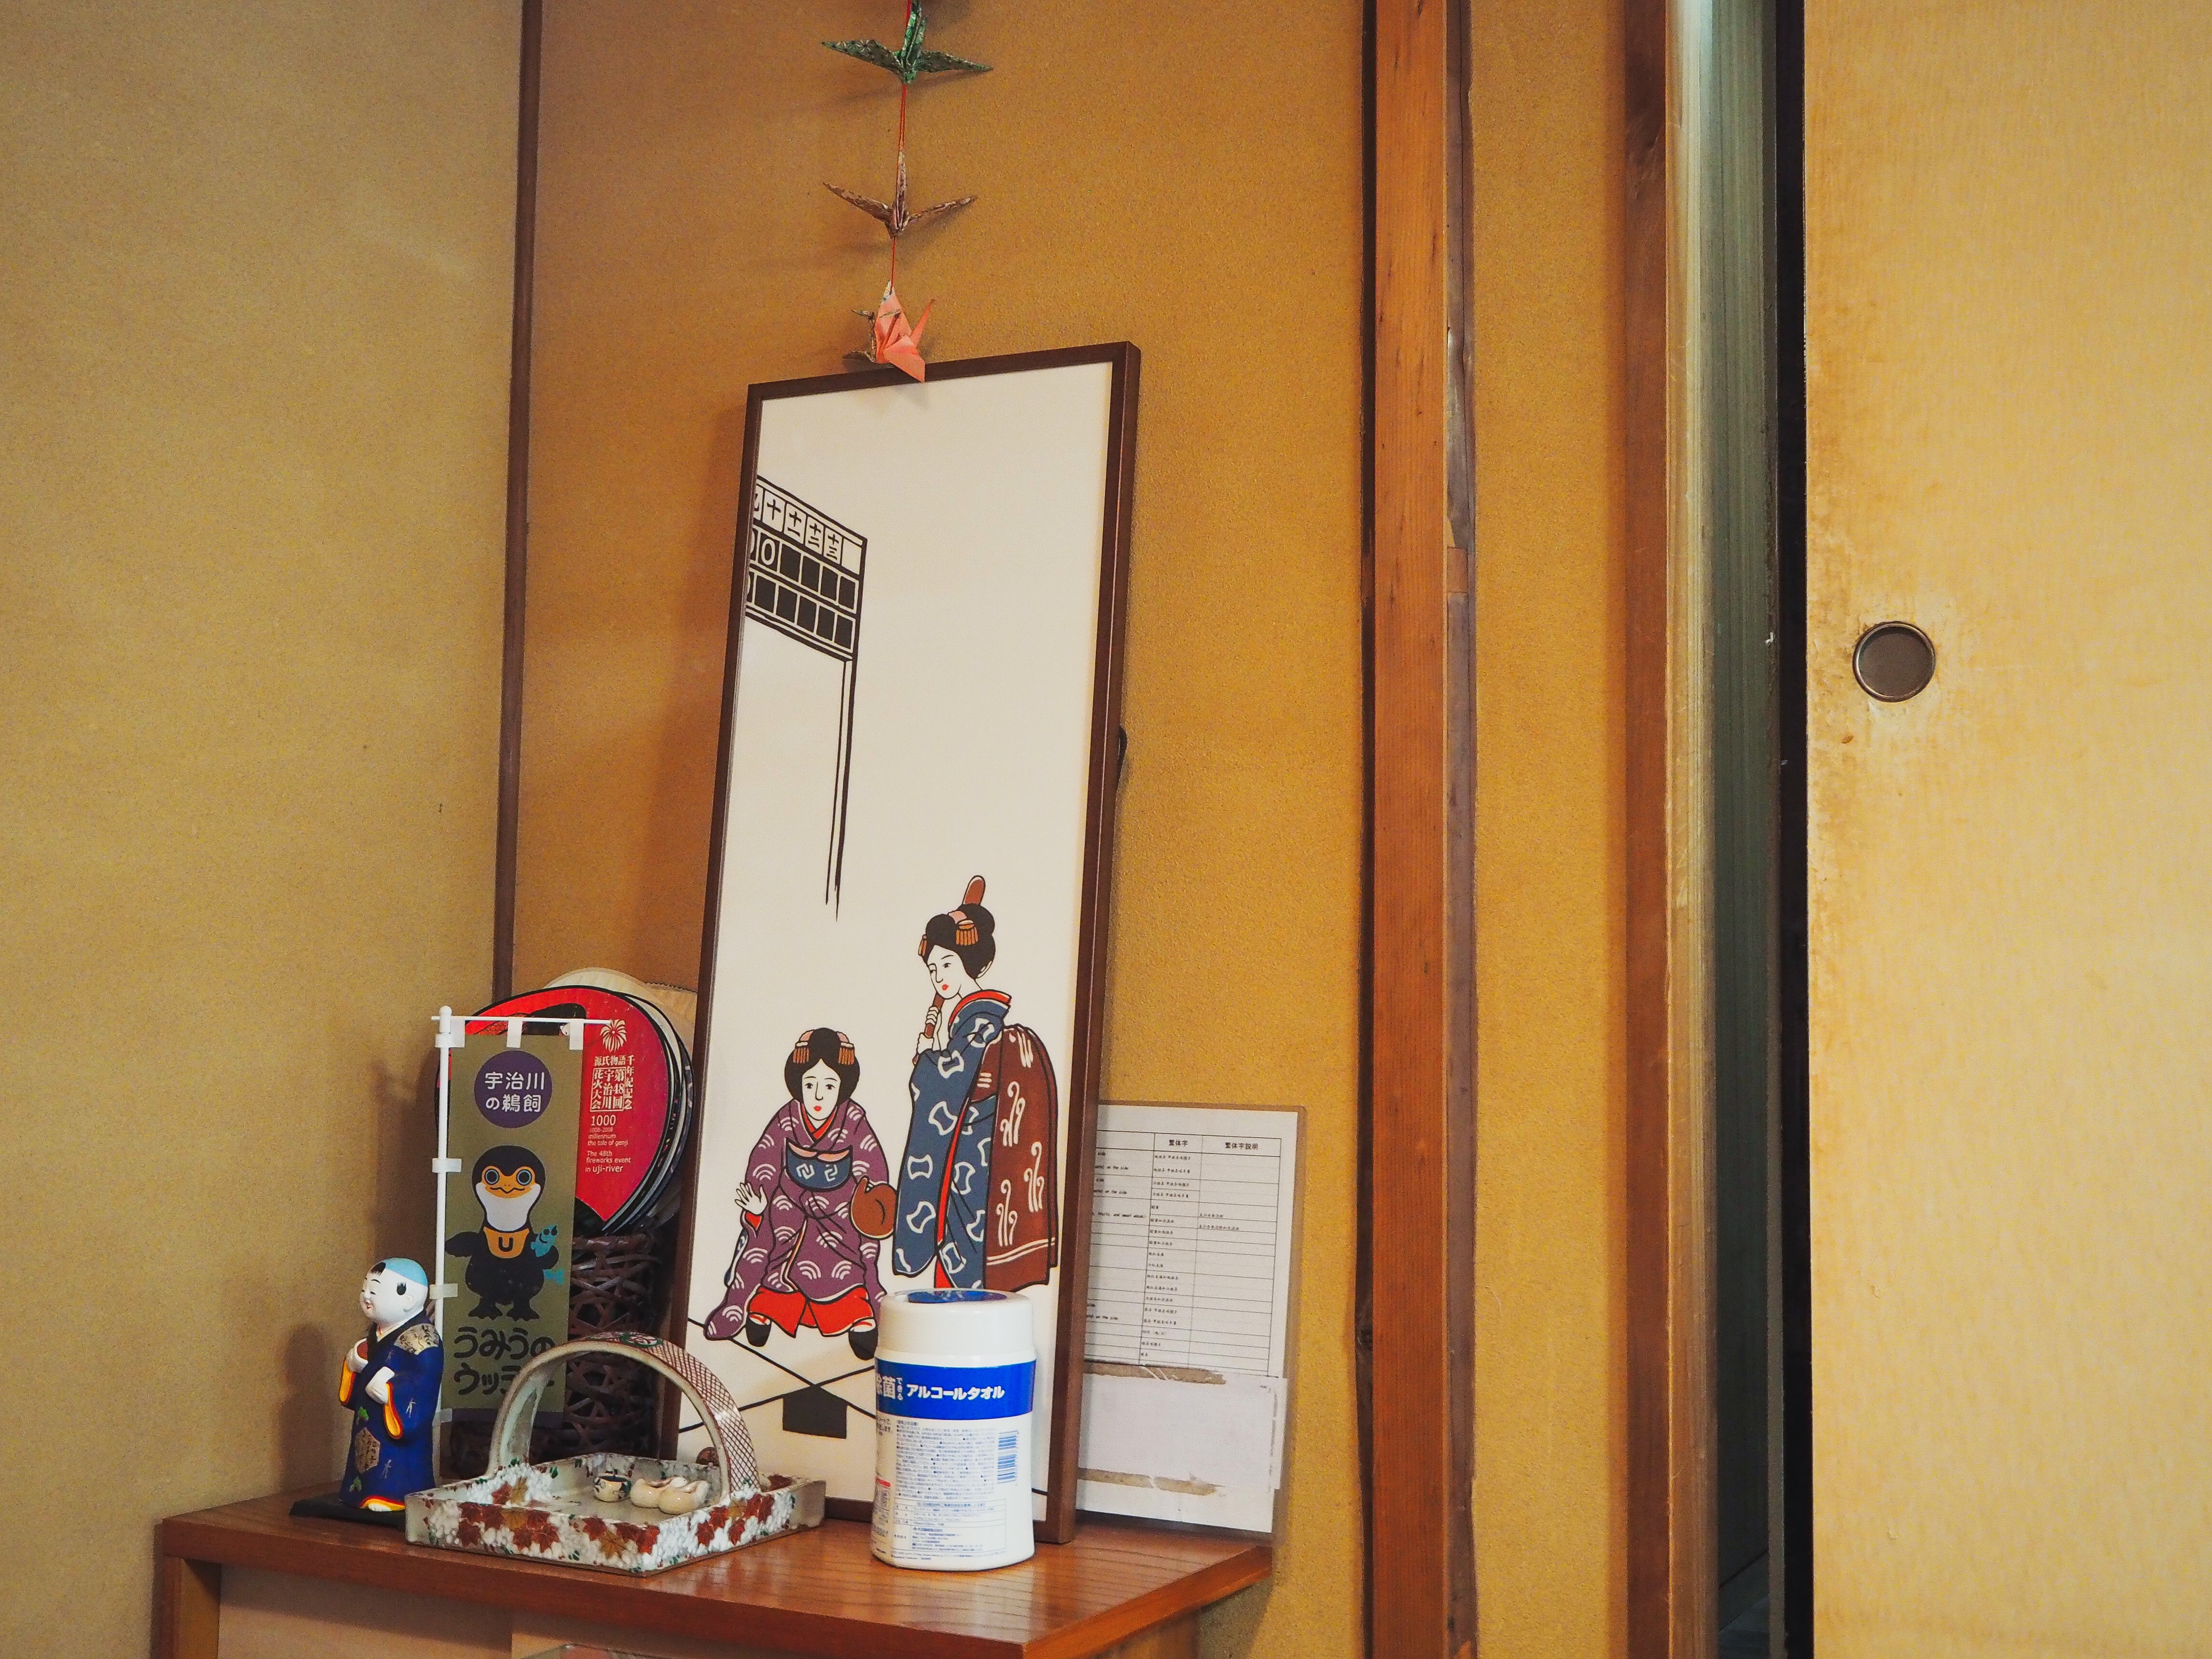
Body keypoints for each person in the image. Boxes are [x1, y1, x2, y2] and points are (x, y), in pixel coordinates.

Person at [702, 1028, 894, 1359]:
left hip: (840, 1214)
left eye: (829, 1086)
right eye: (810, 1085)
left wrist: (868, 1200)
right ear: (799, 1085)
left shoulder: (854, 1121)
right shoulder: (787, 1118)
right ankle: (759, 1309)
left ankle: (858, 1318)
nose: (818, 1096)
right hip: (789, 1204)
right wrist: (759, 1200)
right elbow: (765, 1159)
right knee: (771, 1235)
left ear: (842, 1088)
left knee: (852, 1263)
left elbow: (871, 1166)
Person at [892, 877, 1016, 1289]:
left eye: (947, 964)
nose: (939, 977)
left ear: (969, 962)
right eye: (932, 969)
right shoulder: (968, 1018)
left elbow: (947, 1081)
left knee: (963, 1250)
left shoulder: (982, 1018)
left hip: (973, 1153)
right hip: (964, 1145)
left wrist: (927, 1057)